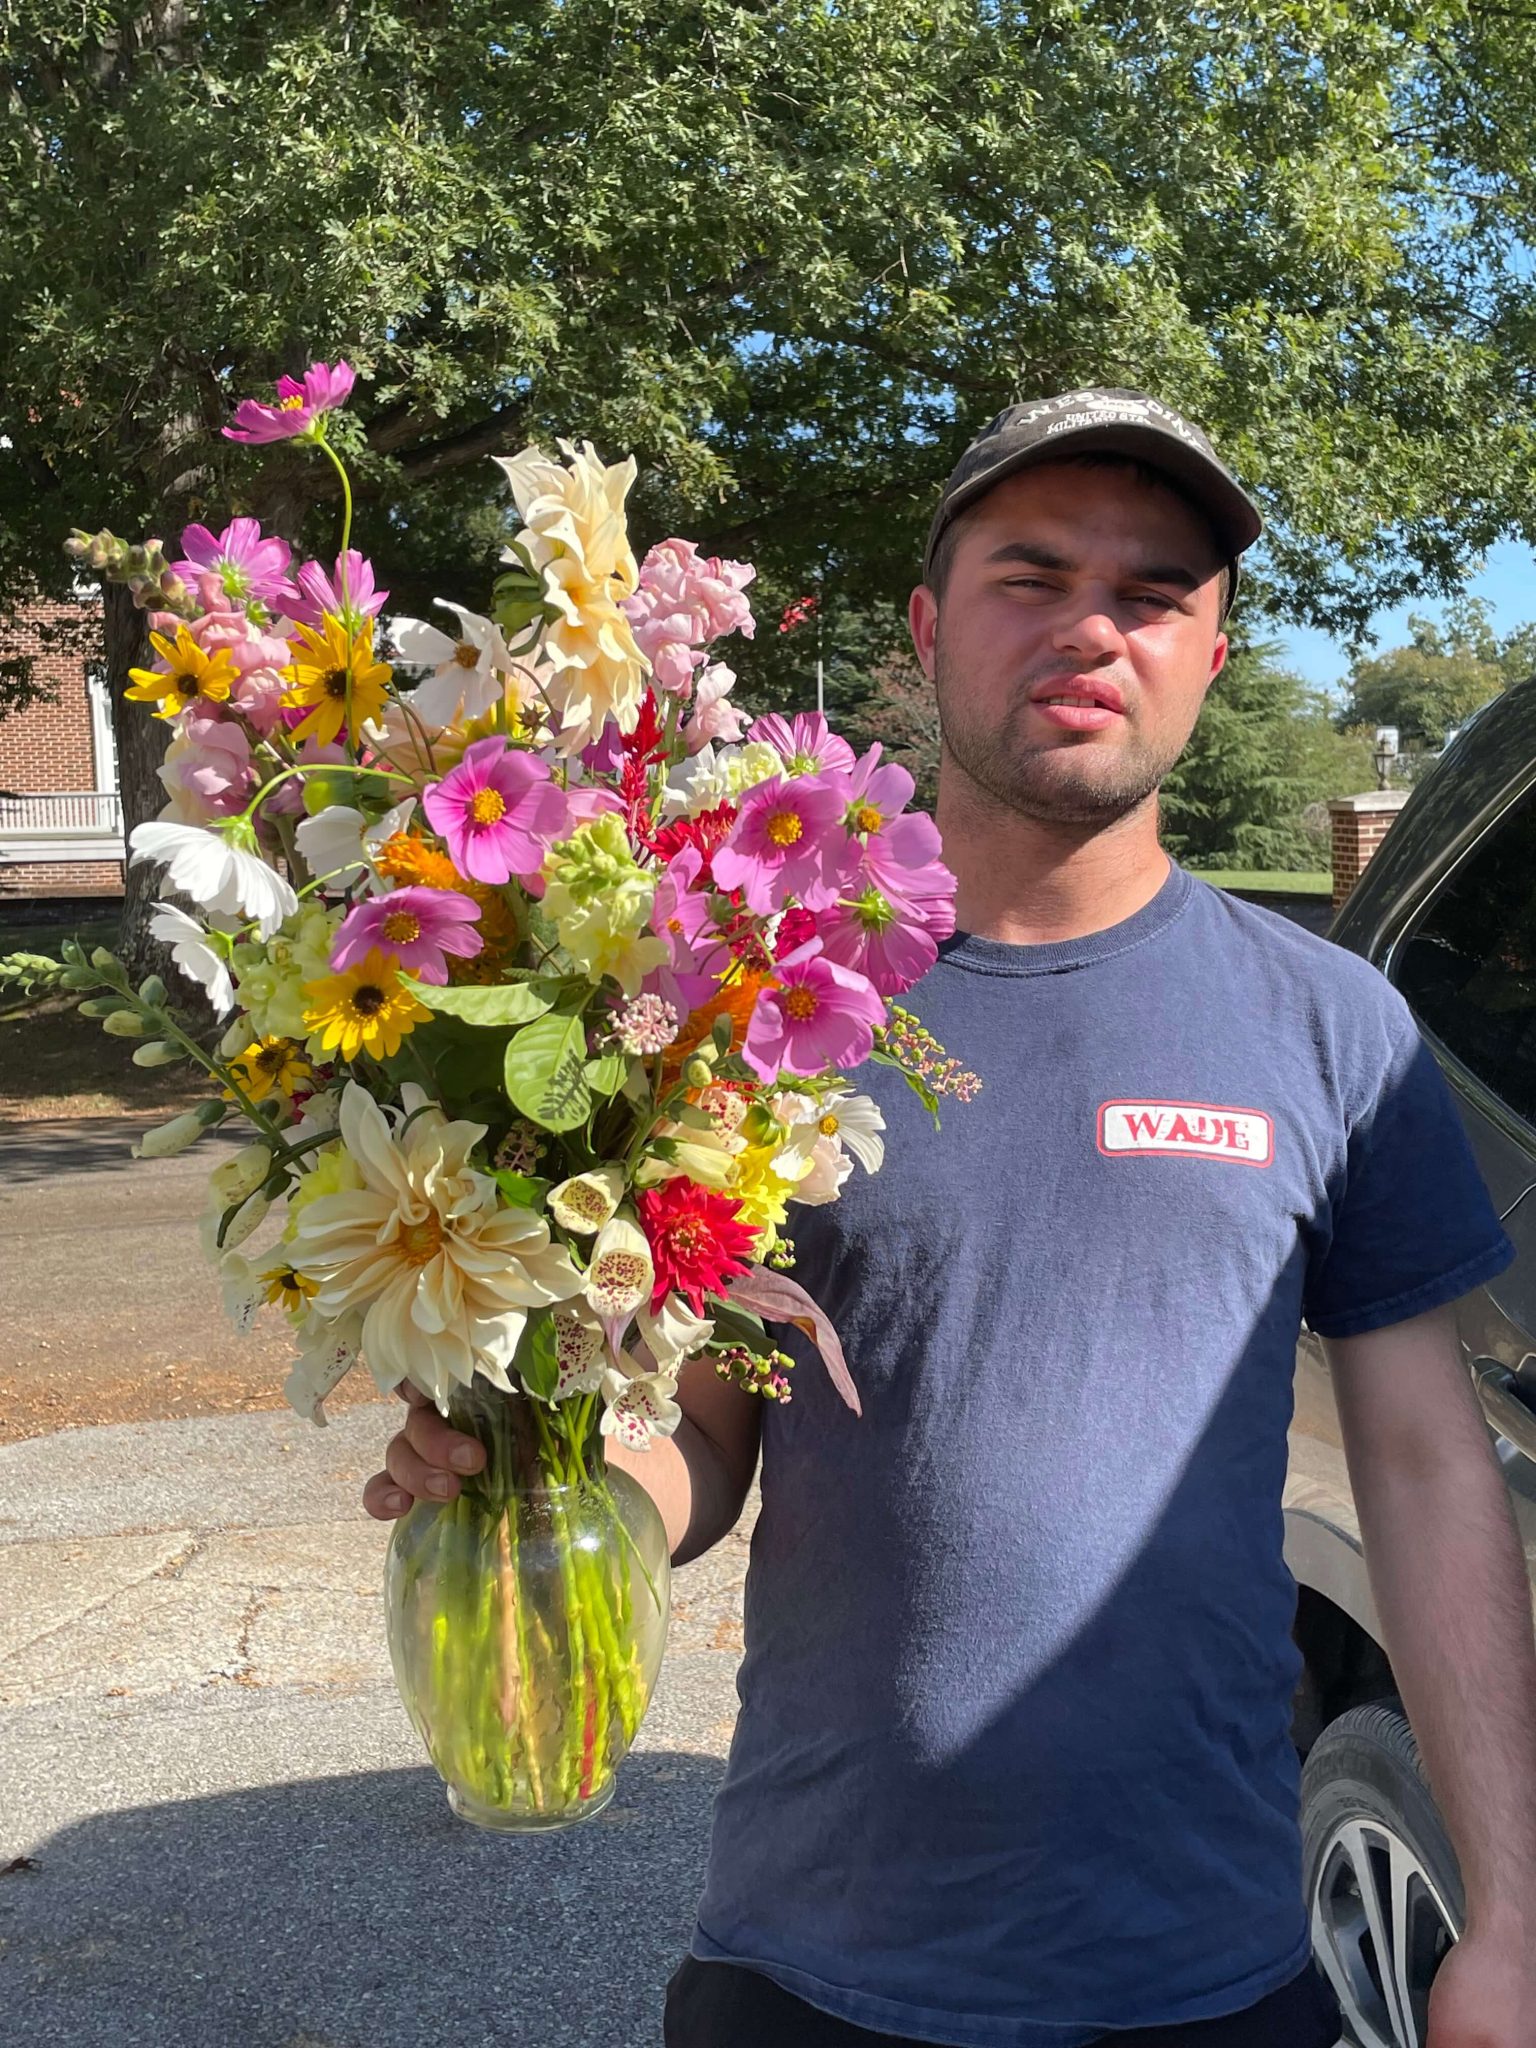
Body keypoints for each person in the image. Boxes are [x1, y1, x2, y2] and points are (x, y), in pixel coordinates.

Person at [364, 388, 1536, 2047]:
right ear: (926, 627)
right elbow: (701, 1437)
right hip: (812, 1964)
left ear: (1210, 653)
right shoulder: (741, 1011)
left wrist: (1515, 1905)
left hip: (1211, 1967)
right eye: (1030, 575)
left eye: (1153, 594)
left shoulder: (1334, 1032)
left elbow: (1424, 1477)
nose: (1091, 629)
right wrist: (540, 1496)